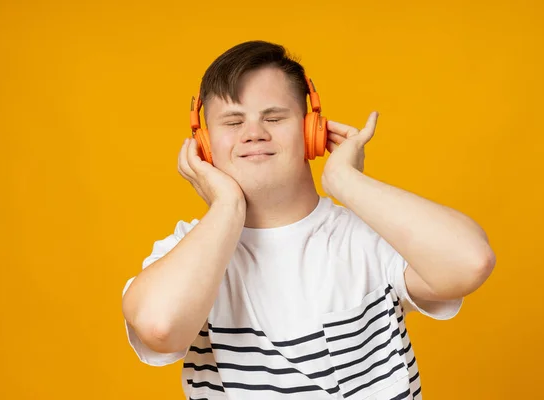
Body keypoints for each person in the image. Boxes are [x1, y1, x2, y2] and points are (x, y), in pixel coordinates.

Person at [121, 40, 496, 400]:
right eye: (233, 122)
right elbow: (160, 328)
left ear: (311, 131)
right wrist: (227, 206)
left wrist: (346, 181)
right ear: (203, 145)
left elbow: (470, 261)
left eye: (274, 116)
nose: (254, 133)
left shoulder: (368, 236)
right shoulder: (184, 252)